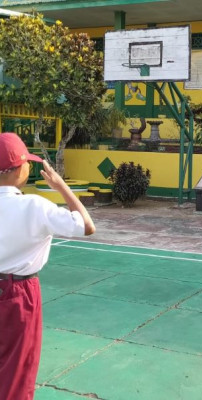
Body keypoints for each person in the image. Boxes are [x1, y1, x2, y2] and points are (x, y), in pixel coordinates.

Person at [0, 132, 96, 400]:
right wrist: (61, 186)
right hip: (19, 292)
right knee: (18, 370)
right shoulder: (34, 205)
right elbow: (86, 226)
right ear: (19, 170)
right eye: (27, 163)